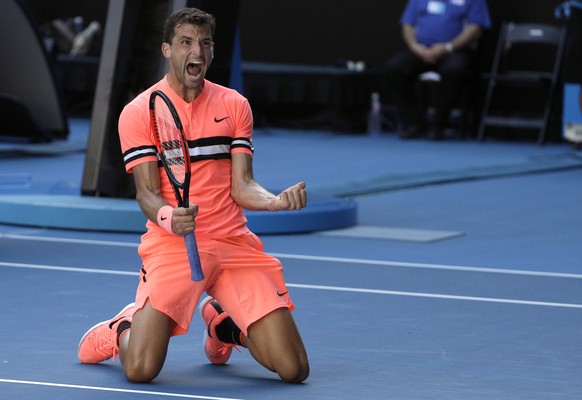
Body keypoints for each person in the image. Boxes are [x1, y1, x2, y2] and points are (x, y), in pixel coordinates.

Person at [77, 7, 309, 384]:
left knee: (294, 368)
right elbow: (147, 195)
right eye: (186, 42)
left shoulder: (235, 105)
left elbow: (242, 185)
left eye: (204, 43)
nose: (196, 52)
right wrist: (170, 216)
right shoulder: (139, 112)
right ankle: (121, 328)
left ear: (213, 51)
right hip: (173, 246)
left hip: (233, 243)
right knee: (140, 370)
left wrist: (273, 201)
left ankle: (223, 326)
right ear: (167, 49)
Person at [383, 0, 491, 140]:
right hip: (421, 50)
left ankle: (438, 124)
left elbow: (475, 29)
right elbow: (407, 24)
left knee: (455, 70)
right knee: (394, 68)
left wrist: (447, 48)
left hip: (454, 50)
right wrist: (416, 47)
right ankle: (414, 122)